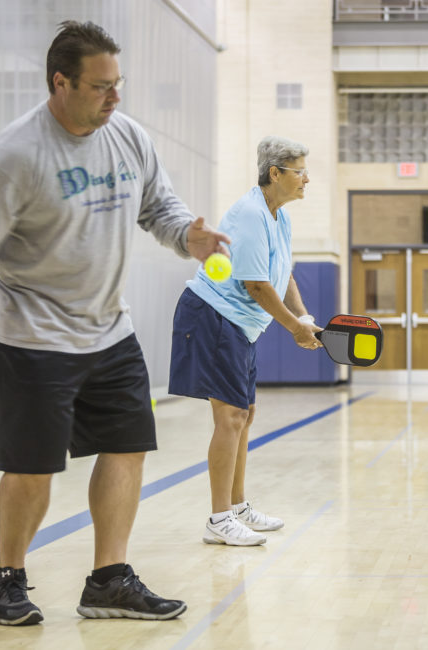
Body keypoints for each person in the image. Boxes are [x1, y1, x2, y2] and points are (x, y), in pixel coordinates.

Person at [0, 20, 229, 625]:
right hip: (33, 337)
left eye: (119, 85)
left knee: (127, 447)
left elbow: (158, 206)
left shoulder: (128, 136)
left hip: (109, 328)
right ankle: (8, 577)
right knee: (31, 467)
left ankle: (109, 578)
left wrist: (188, 235)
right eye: (101, 87)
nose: (115, 98)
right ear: (61, 83)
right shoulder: (15, 156)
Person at [168, 136, 322, 546]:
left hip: (240, 325)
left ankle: (236, 507)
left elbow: (282, 274)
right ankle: (219, 519)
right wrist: (294, 329)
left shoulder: (280, 216)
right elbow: (255, 284)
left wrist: (302, 315)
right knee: (231, 416)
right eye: (300, 171)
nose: (307, 179)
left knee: (245, 413)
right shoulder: (252, 213)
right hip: (213, 316)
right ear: (275, 173)